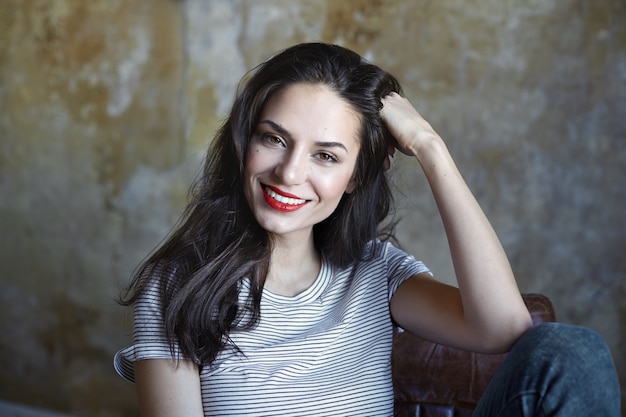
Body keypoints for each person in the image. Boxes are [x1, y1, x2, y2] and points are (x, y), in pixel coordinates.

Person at [114, 42, 620, 416]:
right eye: (274, 139)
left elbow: (506, 329)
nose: (290, 173)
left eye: (325, 156)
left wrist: (430, 149)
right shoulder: (178, 286)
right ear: (245, 142)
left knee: (571, 351)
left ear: (355, 177)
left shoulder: (375, 273)